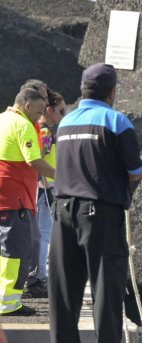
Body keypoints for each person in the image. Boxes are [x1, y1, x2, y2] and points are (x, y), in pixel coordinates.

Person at [50, 64, 142, 343]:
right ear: (112, 91)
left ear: (81, 89)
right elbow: (137, 169)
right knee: (106, 290)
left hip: (62, 210)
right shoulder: (115, 120)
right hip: (100, 213)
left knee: (63, 292)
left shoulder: (65, 122)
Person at [1, 87, 55, 316]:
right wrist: (64, 177)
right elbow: (34, 162)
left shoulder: (3, 118)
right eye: (39, 111)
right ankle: (8, 303)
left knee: (5, 249)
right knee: (15, 251)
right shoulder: (23, 125)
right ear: (27, 105)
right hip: (16, 198)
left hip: (5, 196)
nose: (40, 117)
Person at [26, 88, 64, 297]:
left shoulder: (43, 130)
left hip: (45, 187)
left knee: (42, 235)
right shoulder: (44, 132)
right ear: (48, 110)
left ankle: (38, 274)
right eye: (61, 111)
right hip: (44, 189)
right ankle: (39, 276)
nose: (63, 116)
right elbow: (38, 158)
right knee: (43, 235)